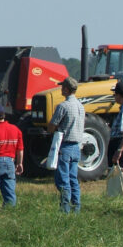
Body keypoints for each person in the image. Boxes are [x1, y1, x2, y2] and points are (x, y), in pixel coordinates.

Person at [47, 76, 86, 213]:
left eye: (62, 87)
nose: (60, 89)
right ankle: (76, 207)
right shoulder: (81, 106)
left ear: (66, 89)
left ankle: (65, 208)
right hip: (77, 146)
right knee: (73, 179)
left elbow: (52, 125)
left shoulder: (63, 106)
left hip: (65, 145)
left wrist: (50, 129)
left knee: (63, 180)